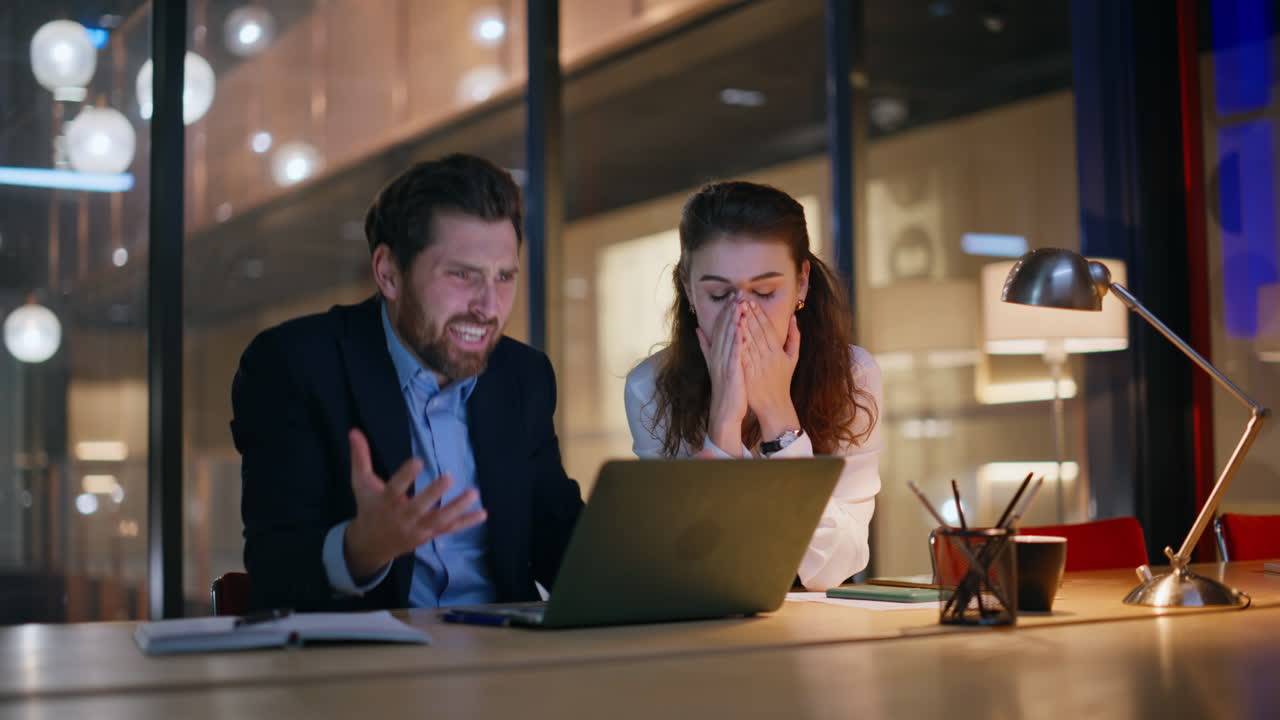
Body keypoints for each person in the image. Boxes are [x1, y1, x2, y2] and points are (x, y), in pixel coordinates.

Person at [232, 154, 583, 612]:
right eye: (462, 274)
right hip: (367, 654)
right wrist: (361, 548)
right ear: (389, 273)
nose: (488, 306)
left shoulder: (523, 376)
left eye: (504, 277)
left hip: (505, 649)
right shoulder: (296, 365)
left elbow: (558, 537)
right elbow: (275, 567)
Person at [624, 180, 882, 590]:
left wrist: (780, 420)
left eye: (764, 291)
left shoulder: (852, 374)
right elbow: (691, 566)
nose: (742, 315)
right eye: (718, 294)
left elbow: (834, 567)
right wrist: (723, 426)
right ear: (689, 289)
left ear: (801, 283)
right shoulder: (651, 386)